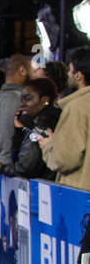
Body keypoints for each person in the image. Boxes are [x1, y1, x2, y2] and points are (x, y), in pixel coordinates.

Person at [39, 47, 90, 189]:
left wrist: (48, 145)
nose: (68, 73)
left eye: (71, 70)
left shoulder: (77, 107)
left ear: (78, 75)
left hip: (80, 197)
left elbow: (66, 159)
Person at [10, 78, 61, 180]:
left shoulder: (42, 125)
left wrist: (3, 168)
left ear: (44, 100)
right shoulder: (31, 123)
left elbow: (26, 167)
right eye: (21, 99)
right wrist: (19, 131)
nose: (22, 104)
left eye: (27, 98)